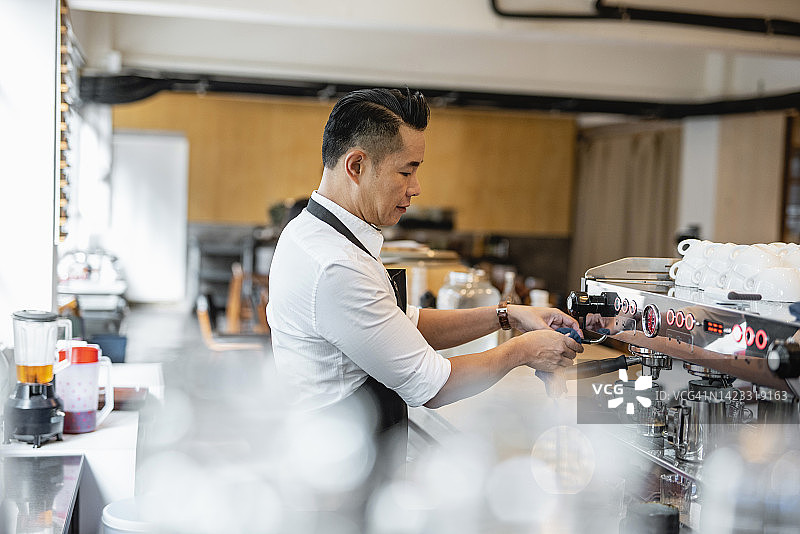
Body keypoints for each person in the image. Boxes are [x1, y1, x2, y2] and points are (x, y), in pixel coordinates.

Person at [266, 87, 583, 461]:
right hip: (342, 466)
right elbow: (434, 386)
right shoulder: (336, 265)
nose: (415, 189)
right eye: (406, 171)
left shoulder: (314, 232)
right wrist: (522, 350)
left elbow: (399, 325)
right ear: (356, 166)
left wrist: (507, 315)